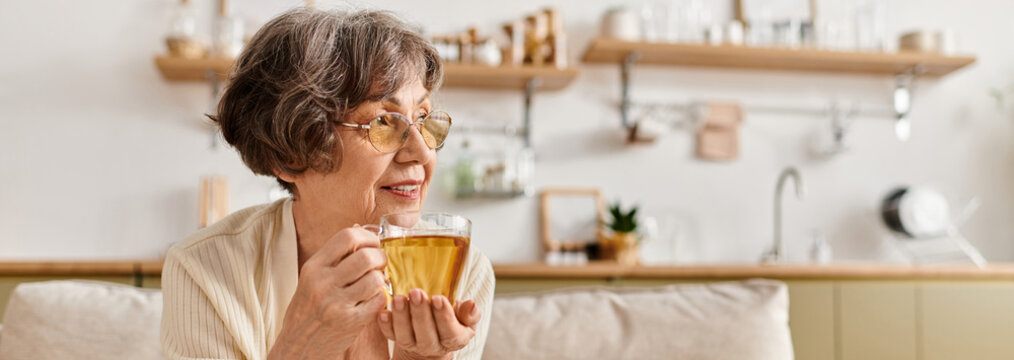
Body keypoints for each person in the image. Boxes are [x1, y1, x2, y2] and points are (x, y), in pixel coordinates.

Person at [160, 8, 495, 360]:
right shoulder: (204, 270)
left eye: (424, 119)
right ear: (289, 156)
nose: (421, 152)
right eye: (383, 122)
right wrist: (301, 349)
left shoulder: (462, 267)